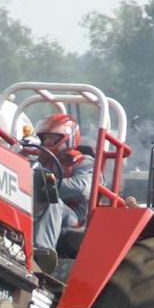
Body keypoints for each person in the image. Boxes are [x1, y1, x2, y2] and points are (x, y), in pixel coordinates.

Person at [30, 113, 95, 269]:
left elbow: (83, 188)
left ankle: (43, 253)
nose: (47, 142)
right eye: (45, 138)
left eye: (52, 138)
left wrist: (46, 184)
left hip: (73, 218)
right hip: (42, 210)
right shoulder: (42, 162)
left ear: (66, 138)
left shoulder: (84, 161)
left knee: (52, 199)